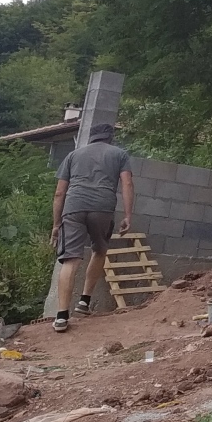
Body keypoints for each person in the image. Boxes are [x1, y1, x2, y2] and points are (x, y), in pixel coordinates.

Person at [49, 122, 135, 333]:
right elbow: (127, 184)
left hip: (73, 208)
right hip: (102, 208)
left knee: (70, 260)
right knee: (100, 249)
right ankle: (84, 301)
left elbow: (59, 193)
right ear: (110, 137)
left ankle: (61, 316)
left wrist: (56, 224)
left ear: (91, 137)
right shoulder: (119, 154)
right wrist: (127, 215)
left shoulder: (73, 155)